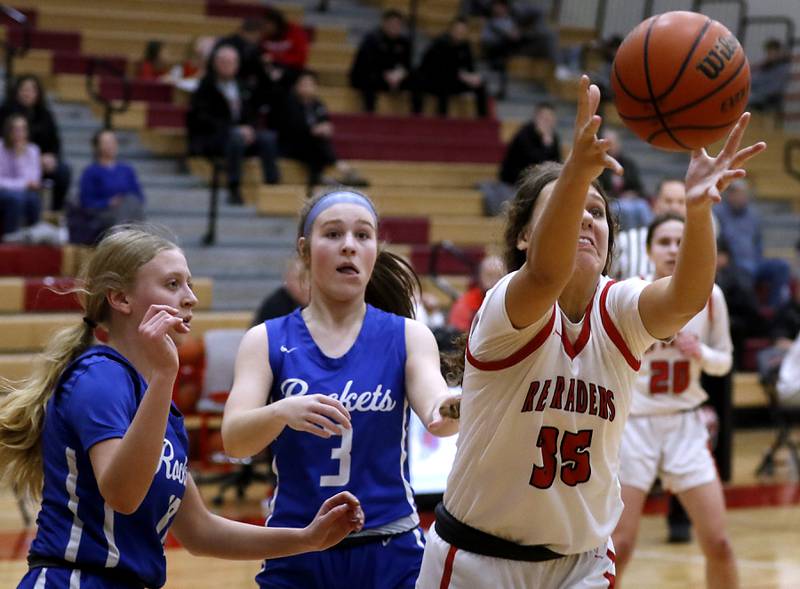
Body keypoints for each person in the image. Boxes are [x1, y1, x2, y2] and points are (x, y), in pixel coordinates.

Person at [416, 76, 763, 588]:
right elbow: (546, 274)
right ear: (525, 236)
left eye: (597, 212)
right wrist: (576, 170)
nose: (585, 217)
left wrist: (697, 211)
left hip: (581, 565)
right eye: (567, 208)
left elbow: (685, 299)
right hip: (478, 560)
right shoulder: (507, 302)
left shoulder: (619, 305)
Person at [0, 226, 365, 589]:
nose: (190, 298)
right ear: (120, 298)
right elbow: (123, 495)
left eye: (189, 284)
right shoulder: (99, 376)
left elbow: (200, 531)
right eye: (173, 284)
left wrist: (307, 539)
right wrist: (164, 376)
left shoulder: (164, 413)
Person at [221, 189, 461, 588]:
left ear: (374, 250)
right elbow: (234, 440)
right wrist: (282, 412)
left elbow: (437, 414)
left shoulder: (409, 336)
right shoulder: (266, 339)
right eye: (333, 234)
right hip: (296, 547)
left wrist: (458, 407)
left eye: (362, 236)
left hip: (391, 549)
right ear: (305, 249)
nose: (349, 246)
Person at [611, 213, 738, 589]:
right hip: (635, 426)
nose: (672, 249)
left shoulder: (711, 297)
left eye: (681, 242)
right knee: (621, 543)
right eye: (664, 242)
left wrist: (699, 353)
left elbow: (725, 362)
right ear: (649, 251)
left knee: (719, 542)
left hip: (685, 422)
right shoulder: (630, 295)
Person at [187, 45, 280, 205]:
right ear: (215, 63)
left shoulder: (242, 85)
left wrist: (250, 129)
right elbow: (202, 118)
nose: (228, 65)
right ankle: (234, 187)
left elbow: (252, 112)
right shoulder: (205, 86)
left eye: (232, 62)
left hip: (240, 135)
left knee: (268, 138)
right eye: (224, 62)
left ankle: (272, 186)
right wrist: (233, 129)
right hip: (214, 137)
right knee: (235, 137)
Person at [273, 70, 366, 189]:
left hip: (313, 145)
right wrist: (312, 130)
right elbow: (291, 128)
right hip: (292, 144)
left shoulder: (318, 104)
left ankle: (318, 179)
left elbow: (325, 121)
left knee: (318, 144)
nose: (308, 87)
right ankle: (339, 168)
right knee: (317, 143)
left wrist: (325, 128)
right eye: (304, 84)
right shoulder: (290, 103)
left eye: (311, 84)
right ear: (297, 86)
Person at [715, 179, 791, 309]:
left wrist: (757, 259)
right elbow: (718, 244)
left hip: (755, 262)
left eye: (743, 194)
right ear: (729, 194)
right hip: (734, 266)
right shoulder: (718, 214)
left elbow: (758, 242)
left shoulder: (753, 215)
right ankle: (754, 313)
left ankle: (772, 309)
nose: (740, 197)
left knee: (782, 266)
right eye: (736, 193)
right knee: (743, 273)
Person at [0, 74, 71, 211]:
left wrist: (51, 156)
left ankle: (55, 211)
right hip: (11, 157)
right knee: (18, 196)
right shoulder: (5, 112)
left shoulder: (45, 115)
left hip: (39, 160)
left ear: (38, 94)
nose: (28, 93)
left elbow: (55, 142)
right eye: (24, 89)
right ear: (17, 91)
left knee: (63, 171)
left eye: (32, 90)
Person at [71, 129, 145, 245]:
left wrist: (123, 202)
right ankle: (123, 239)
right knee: (126, 209)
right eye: (106, 142)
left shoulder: (126, 170)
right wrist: (108, 202)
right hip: (102, 213)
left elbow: (138, 196)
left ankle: (124, 237)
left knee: (130, 202)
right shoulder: (91, 171)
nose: (111, 145)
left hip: (128, 211)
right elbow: (86, 202)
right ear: (97, 147)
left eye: (113, 141)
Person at [612, 177, 686, 280]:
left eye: (681, 202)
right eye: (668, 201)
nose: (674, 207)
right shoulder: (625, 239)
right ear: (655, 203)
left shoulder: (699, 243)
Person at [414, 18, 488, 118]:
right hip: (435, 80)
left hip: (456, 80)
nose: (460, 33)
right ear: (451, 30)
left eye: (462, 31)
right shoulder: (441, 43)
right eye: (458, 30)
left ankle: (483, 118)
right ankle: (442, 118)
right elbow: (439, 69)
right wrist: (463, 76)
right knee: (443, 83)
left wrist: (473, 77)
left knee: (480, 84)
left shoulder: (465, 46)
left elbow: (470, 68)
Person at [349, 10, 413, 113]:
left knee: (417, 81)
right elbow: (365, 65)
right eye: (392, 24)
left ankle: (416, 115)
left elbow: (406, 65)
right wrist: (384, 74)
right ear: (384, 24)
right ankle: (369, 114)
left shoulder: (404, 43)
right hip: (371, 76)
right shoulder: (372, 39)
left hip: (394, 78)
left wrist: (400, 74)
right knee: (368, 81)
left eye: (398, 24)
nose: (395, 27)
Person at [0, 114, 42, 237]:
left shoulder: (33, 150)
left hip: (22, 192)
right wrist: (23, 184)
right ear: (8, 131)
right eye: (16, 129)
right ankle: (10, 237)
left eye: (23, 129)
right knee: (16, 198)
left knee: (33, 199)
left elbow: (34, 180)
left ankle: (33, 237)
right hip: (4, 192)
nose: (20, 133)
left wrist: (20, 158)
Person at [448, 254, 505, 332]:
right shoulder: (466, 301)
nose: (494, 280)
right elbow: (459, 332)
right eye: (489, 275)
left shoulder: (510, 299)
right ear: (480, 277)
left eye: (498, 275)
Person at [252, 255, 309, 325]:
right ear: (287, 280)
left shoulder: (321, 302)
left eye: (308, 279)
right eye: (298, 279)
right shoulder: (274, 306)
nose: (305, 286)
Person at [261, 7, 309, 87]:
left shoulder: (295, 32)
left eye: (267, 24)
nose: (265, 27)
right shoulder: (264, 36)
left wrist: (276, 58)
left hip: (292, 72)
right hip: (270, 72)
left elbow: (300, 58)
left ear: (274, 23)